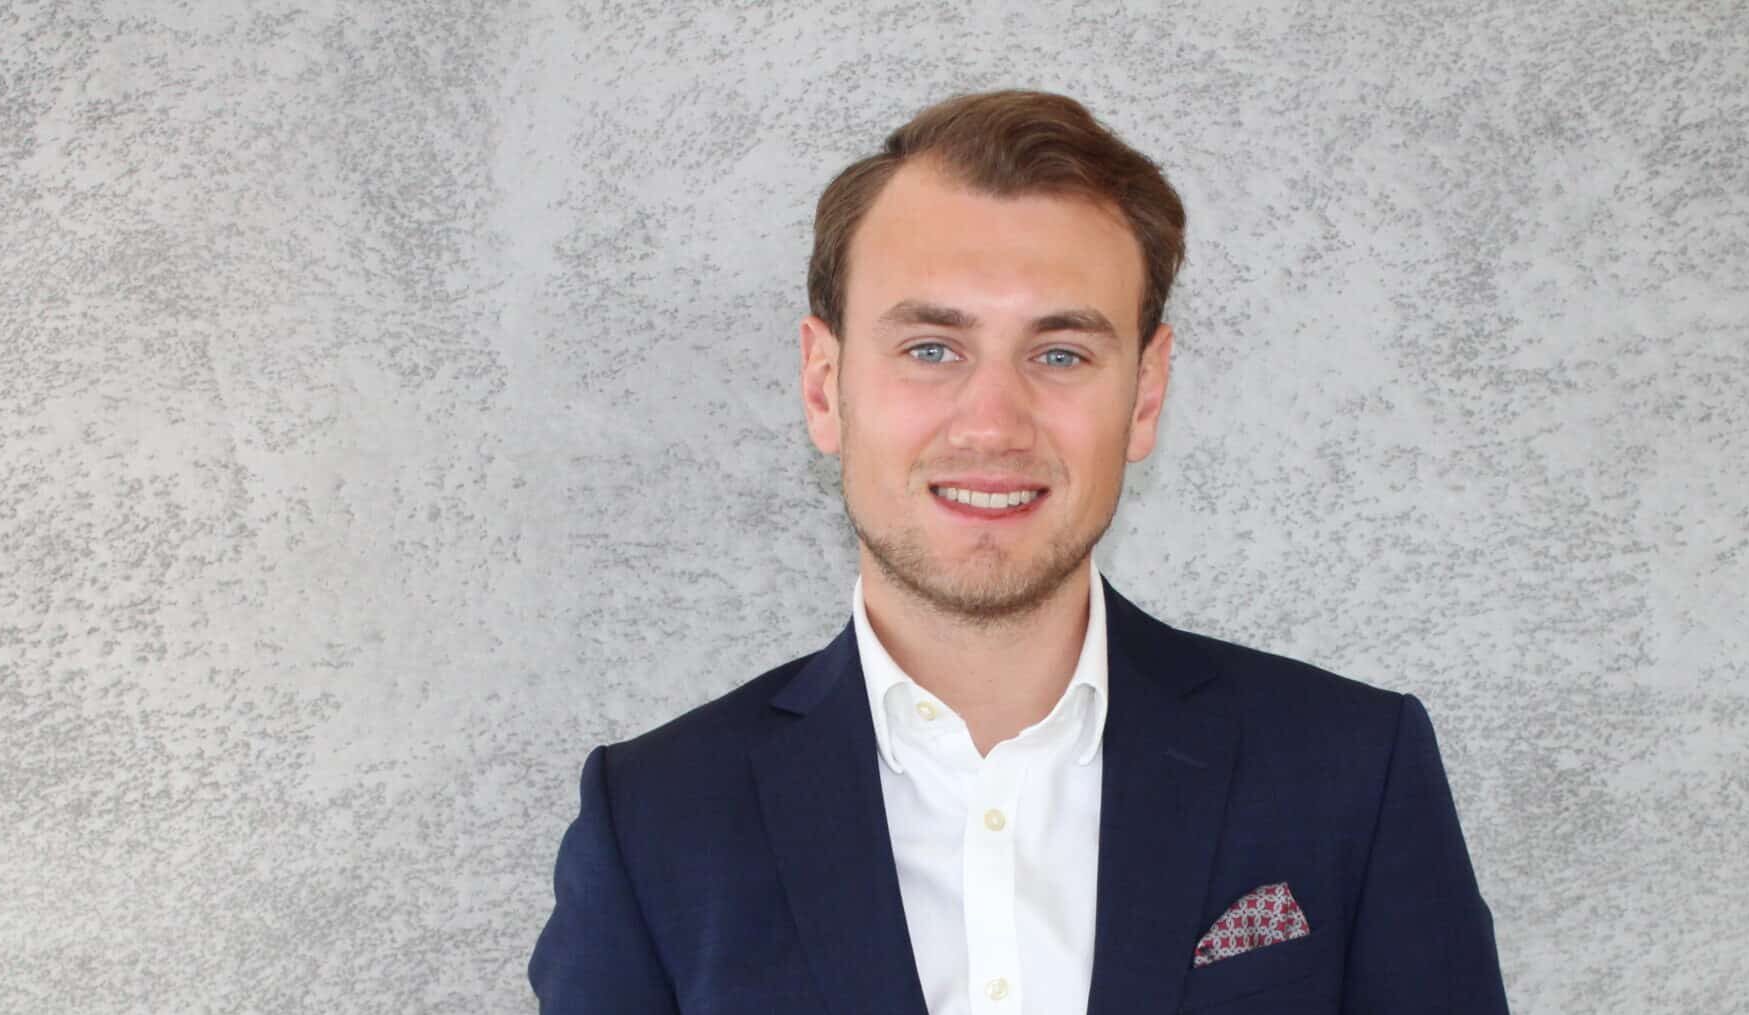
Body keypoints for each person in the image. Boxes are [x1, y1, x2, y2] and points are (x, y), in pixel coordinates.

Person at [530, 89, 1508, 1014]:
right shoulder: (654, 824)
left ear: (1146, 392)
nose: (992, 425)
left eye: (1059, 354)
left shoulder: (1351, 771)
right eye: (930, 348)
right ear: (825, 387)